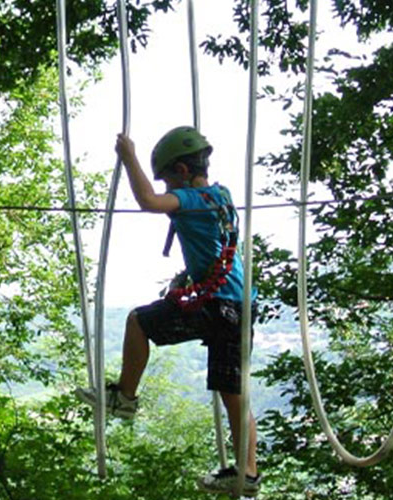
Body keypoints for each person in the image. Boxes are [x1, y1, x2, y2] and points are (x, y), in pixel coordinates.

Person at [75, 126, 259, 495]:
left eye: (169, 180)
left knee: (138, 321)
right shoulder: (220, 196)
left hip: (219, 304)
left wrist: (129, 155)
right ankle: (248, 473)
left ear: (183, 172)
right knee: (233, 392)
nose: (167, 189)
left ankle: (124, 398)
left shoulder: (189, 198)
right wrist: (185, 279)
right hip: (239, 304)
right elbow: (212, 248)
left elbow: (147, 200)